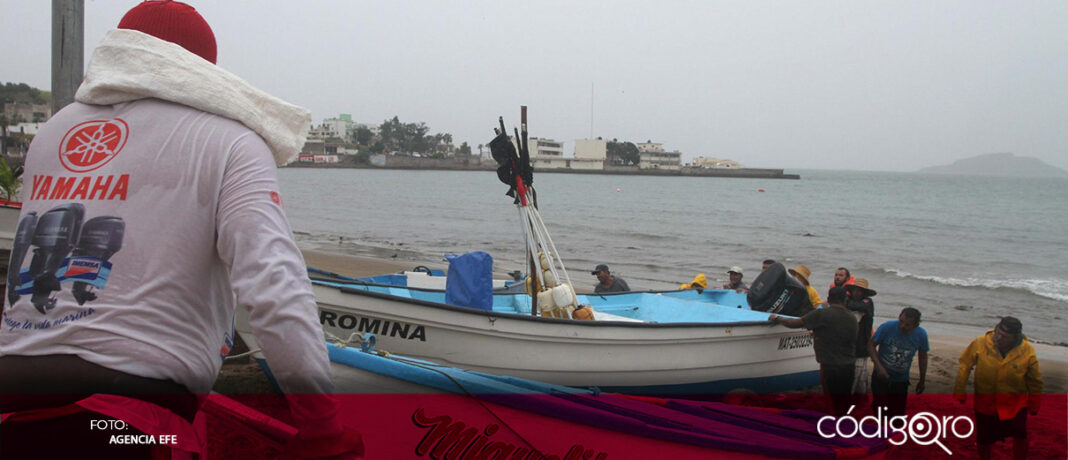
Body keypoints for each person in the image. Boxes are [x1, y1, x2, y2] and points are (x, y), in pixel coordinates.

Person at [0, 2, 360, 458]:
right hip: (130, 418)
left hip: (13, 400)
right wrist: (323, 427)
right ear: (201, 68)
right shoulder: (229, 139)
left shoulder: (52, 133)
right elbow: (274, 286)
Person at [955, 317, 1042, 460]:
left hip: (1015, 403)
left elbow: (1035, 379)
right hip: (985, 402)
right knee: (984, 438)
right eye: (998, 333)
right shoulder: (980, 342)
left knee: (1020, 434)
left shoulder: (1027, 350)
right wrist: (959, 390)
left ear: (1015, 338)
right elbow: (965, 364)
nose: (999, 338)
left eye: (1005, 337)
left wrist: (1035, 402)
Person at [769, 287, 857, 415]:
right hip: (848, 365)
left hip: (830, 366)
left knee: (831, 401)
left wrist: (777, 319)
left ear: (828, 299)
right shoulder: (852, 317)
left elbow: (795, 323)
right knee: (844, 400)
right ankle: (844, 424)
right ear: (845, 300)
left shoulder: (822, 314)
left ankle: (833, 426)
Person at [869, 307, 928, 418]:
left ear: (915, 325)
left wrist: (922, 380)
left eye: (907, 325)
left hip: (901, 379)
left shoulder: (921, 335)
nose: (902, 326)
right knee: (879, 410)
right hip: (881, 376)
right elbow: (871, 345)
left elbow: (923, 357)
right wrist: (878, 367)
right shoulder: (887, 327)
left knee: (897, 414)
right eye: (901, 321)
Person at [846, 278, 876, 397]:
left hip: (862, 344)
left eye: (860, 291)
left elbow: (857, 306)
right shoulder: (848, 301)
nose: (857, 293)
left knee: (859, 377)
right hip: (851, 345)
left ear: (864, 293)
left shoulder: (868, 302)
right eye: (855, 290)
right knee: (855, 376)